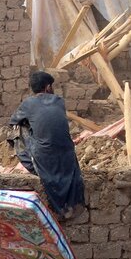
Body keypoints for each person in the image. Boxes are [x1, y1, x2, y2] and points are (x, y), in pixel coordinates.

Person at [9, 71, 86, 220]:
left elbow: (13, 121)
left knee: (17, 130)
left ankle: (33, 166)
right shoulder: (59, 101)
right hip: (68, 157)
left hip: (45, 158)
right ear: (48, 87)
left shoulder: (28, 104)